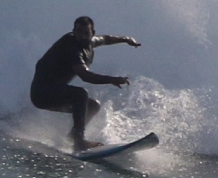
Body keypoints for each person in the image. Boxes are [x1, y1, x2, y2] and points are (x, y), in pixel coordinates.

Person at [29, 16, 141, 150]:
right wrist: (112, 79)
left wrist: (126, 39)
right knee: (81, 94)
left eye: (86, 33)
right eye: (79, 33)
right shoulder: (72, 48)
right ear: (73, 32)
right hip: (42, 94)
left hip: (55, 91)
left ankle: (72, 137)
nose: (82, 36)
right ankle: (79, 141)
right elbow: (85, 76)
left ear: (92, 33)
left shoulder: (90, 42)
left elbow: (106, 39)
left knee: (93, 106)